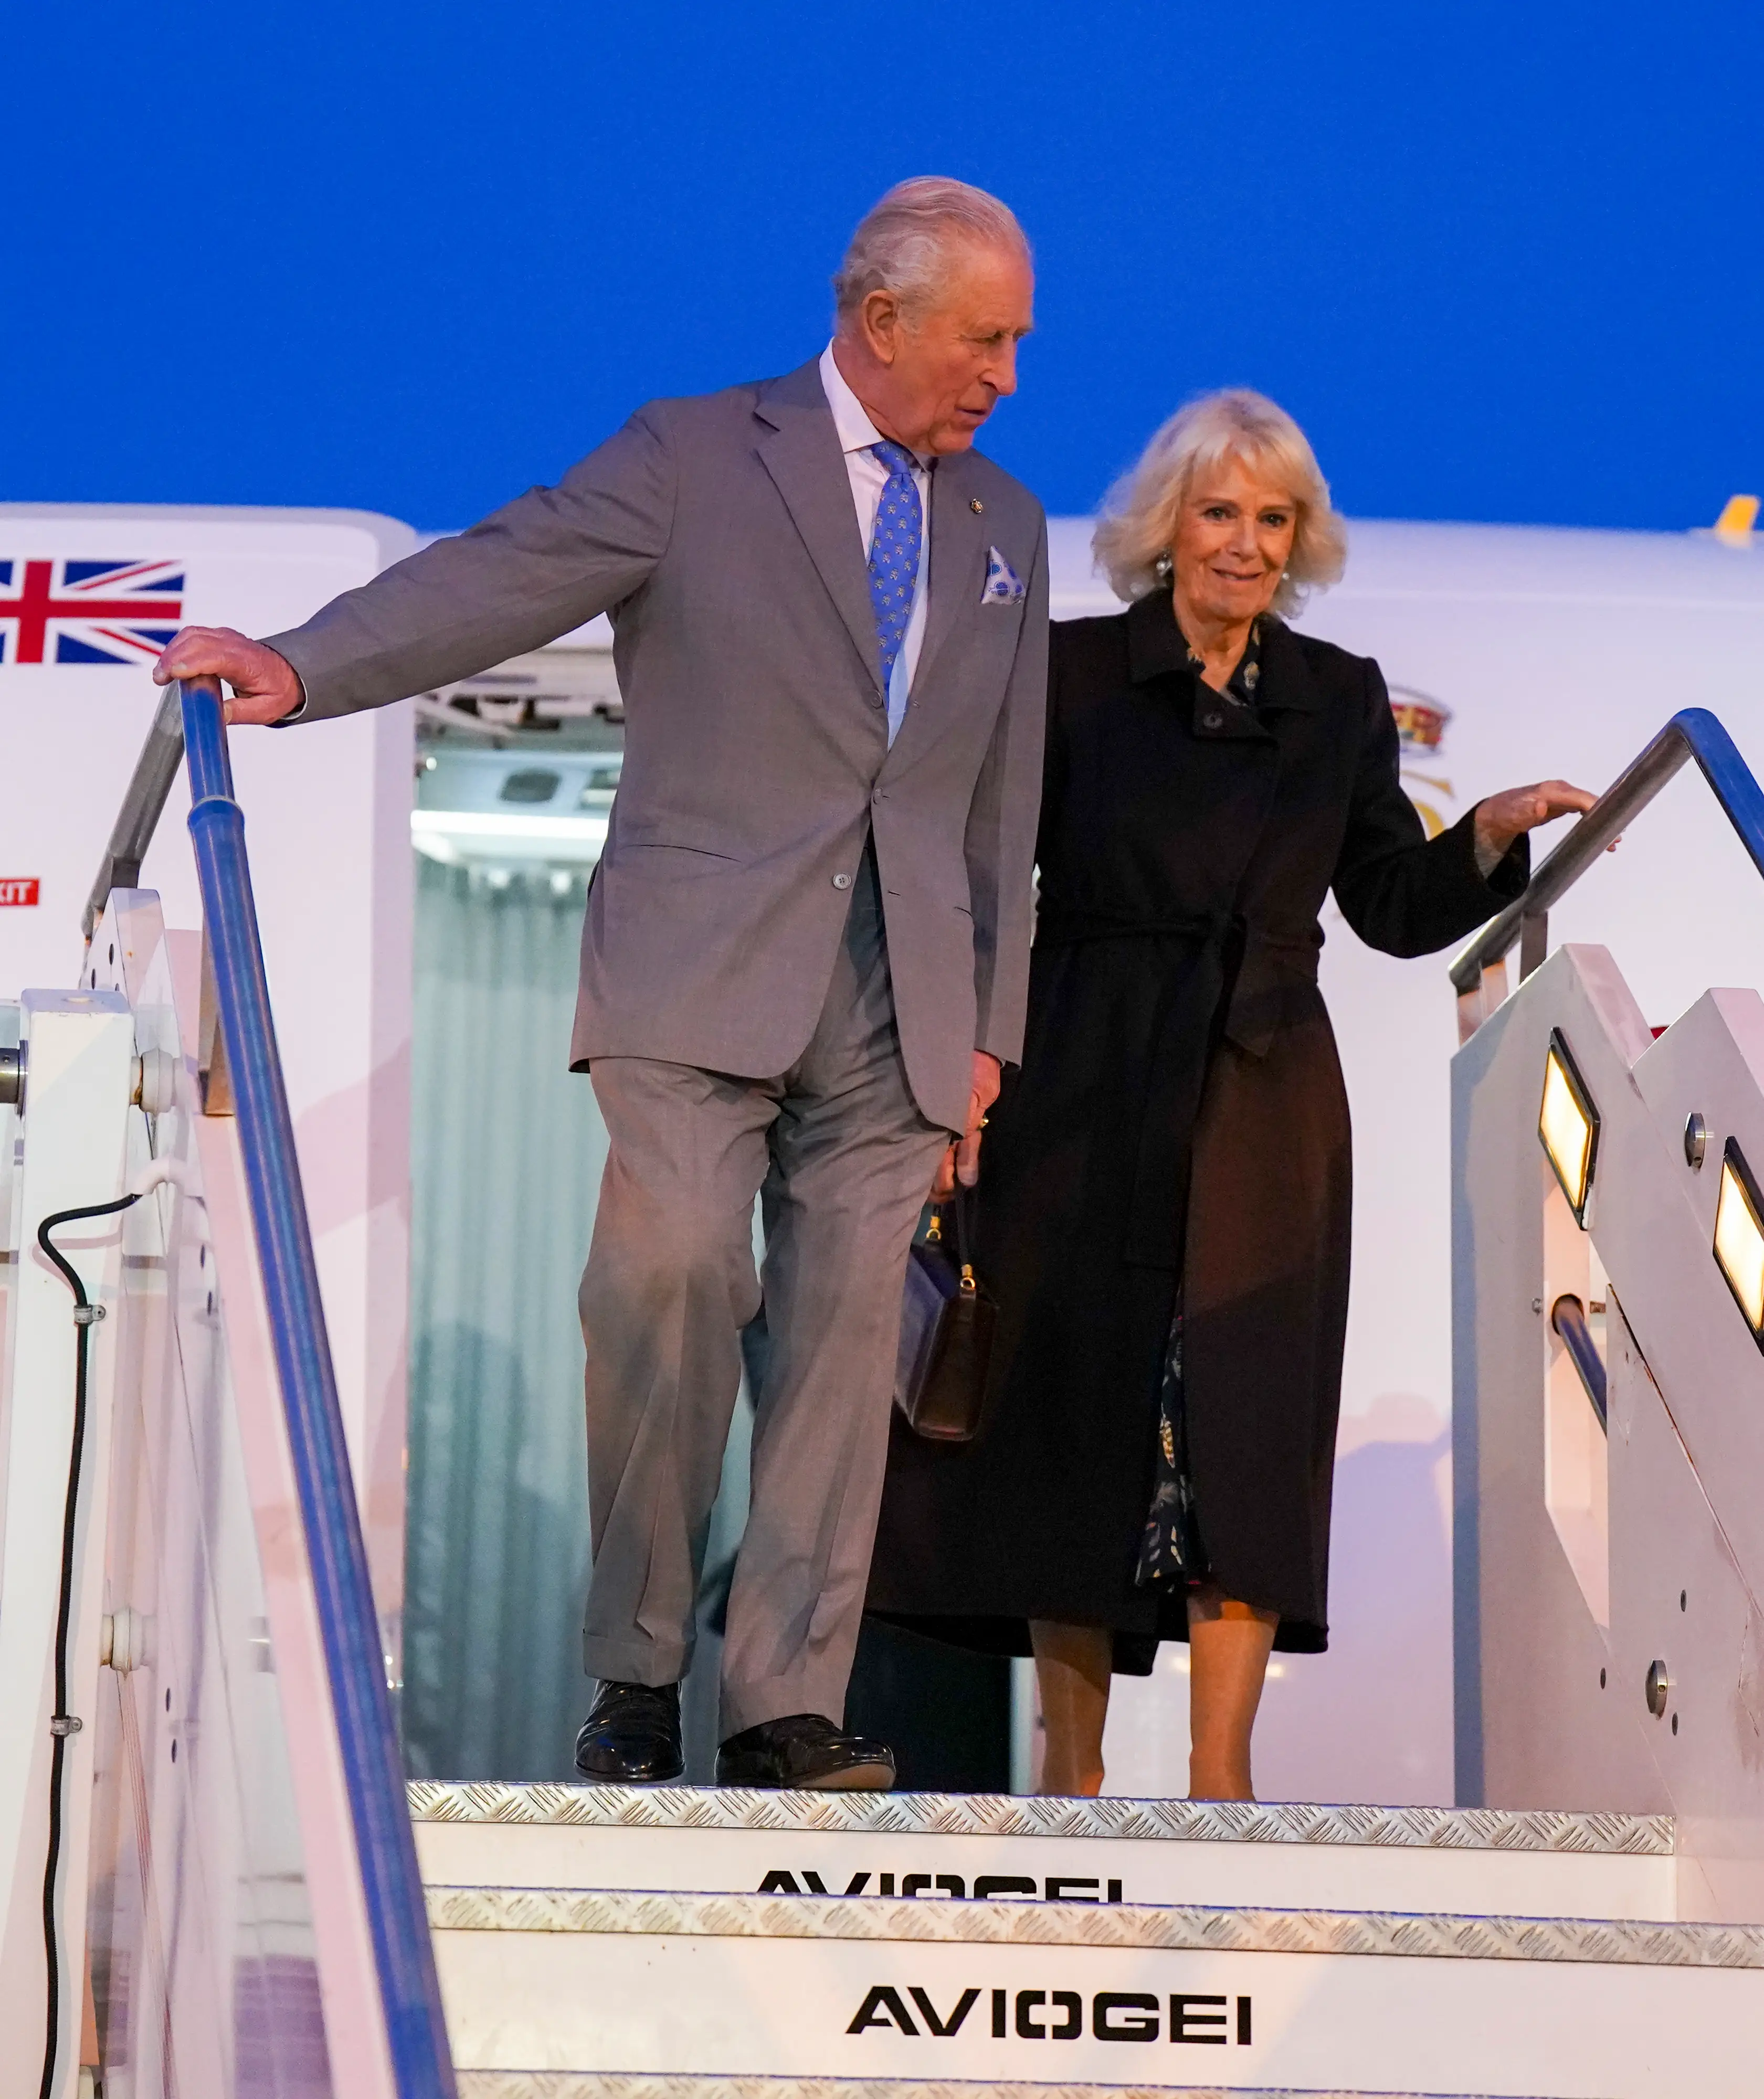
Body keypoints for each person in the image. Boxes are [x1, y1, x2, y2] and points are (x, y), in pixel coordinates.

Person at [153, 177, 1048, 1792]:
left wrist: (990, 1031)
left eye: (1018, 345)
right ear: (881, 320)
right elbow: (505, 570)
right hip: (697, 967)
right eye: (985, 340)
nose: (1004, 375)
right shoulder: (699, 455)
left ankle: (783, 1706)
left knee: (847, 1349)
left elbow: (1004, 792)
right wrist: (300, 666)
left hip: (900, 995)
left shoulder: (1004, 524)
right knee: (671, 1280)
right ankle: (637, 1675)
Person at [867, 388, 1595, 1800]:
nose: (1246, 544)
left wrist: (1487, 837)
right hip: (1079, 1073)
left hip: (1263, 1098)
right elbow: (974, 877)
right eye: (1220, 513)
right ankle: (1067, 1775)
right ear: (1166, 529)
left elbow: (1388, 905)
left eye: (1274, 520)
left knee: (1241, 1432)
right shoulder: (1067, 673)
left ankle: (1223, 1788)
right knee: (1072, 1419)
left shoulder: (1334, 700)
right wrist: (952, 1075)